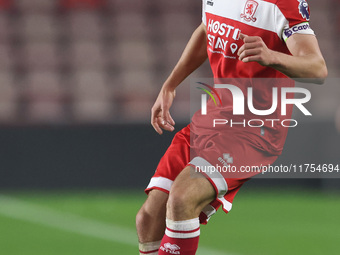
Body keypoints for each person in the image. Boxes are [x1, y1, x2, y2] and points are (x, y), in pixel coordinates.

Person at [136, 0, 327, 254]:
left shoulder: (282, 4)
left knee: (183, 198)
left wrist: (271, 56)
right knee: (148, 219)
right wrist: (170, 84)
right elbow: (206, 30)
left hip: (254, 129)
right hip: (213, 117)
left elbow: (317, 68)